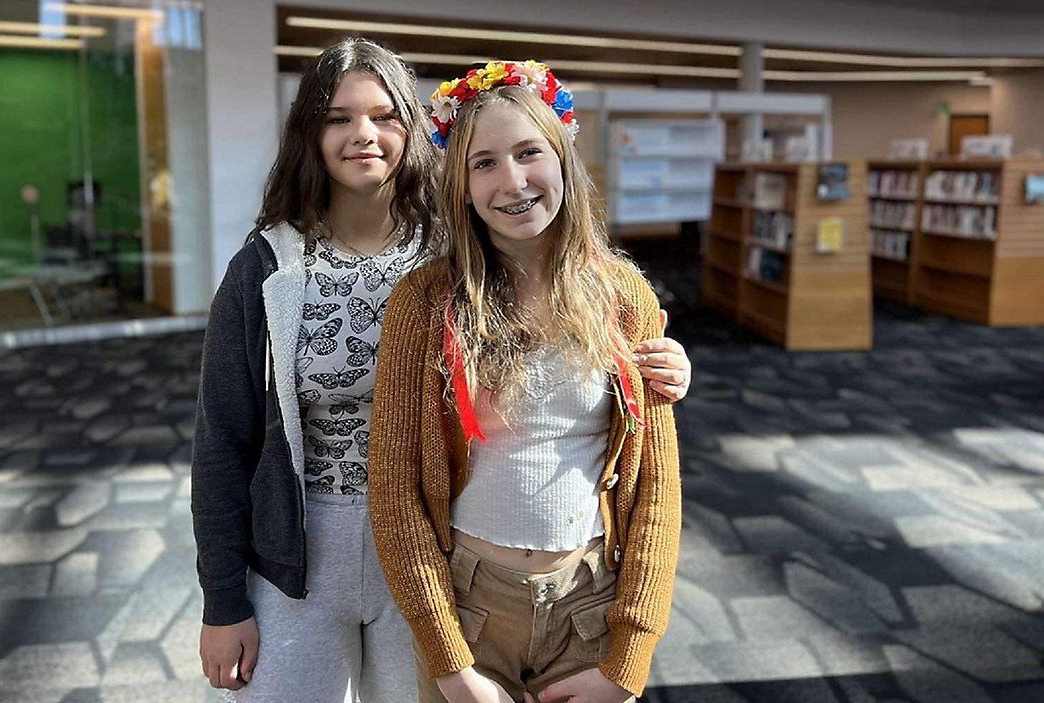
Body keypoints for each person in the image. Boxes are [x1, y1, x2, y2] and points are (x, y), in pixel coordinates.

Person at [192, 42, 689, 703]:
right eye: (338, 117)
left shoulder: (457, 251)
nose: (362, 134)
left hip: (441, 551)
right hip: (304, 550)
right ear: (308, 132)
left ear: (414, 129)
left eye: (384, 115)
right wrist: (223, 599)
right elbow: (223, 436)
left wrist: (662, 362)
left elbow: (585, 374)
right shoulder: (272, 267)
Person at [368, 61, 682, 703]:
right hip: (469, 608)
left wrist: (629, 660)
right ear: (460, 185)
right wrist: (450, 664)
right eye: (483, 163)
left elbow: (658, 484)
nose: (511, 181)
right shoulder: (426, 302)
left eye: (527, 152)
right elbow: (395, 490)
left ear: (562, 157)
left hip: (590, 604)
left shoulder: (622, 294)